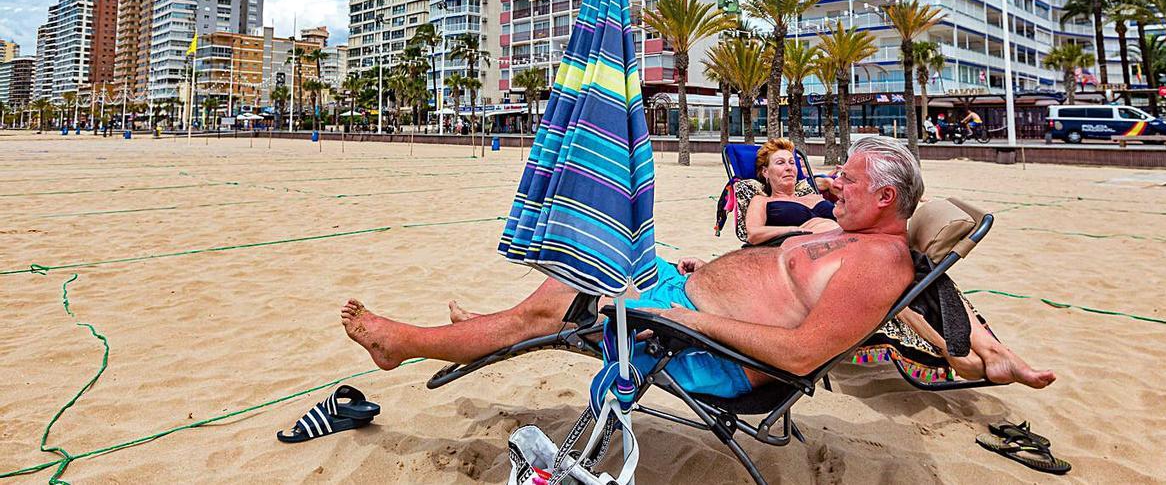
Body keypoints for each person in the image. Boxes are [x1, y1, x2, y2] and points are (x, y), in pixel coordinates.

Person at [343, 137, 1054, 396]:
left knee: (553, 304)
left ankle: (401, 342)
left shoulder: (878, 265)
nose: (833, 180)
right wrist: (704, 271)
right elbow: (771, 274)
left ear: (887, 197)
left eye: (849, 176)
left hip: (706, 347)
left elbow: (804, 351)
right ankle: (485, 326)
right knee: (586, 253)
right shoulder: (848, 237)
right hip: (687, 293)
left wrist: (688, 313)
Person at [743, 137, 839, 245]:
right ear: (765, 172)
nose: (789, 167)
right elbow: (753, 234)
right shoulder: (762, 201)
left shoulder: (813, 196)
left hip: (845, 241)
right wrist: (795, 231)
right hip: (806, 249)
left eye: (792, 162)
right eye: (780, 163)